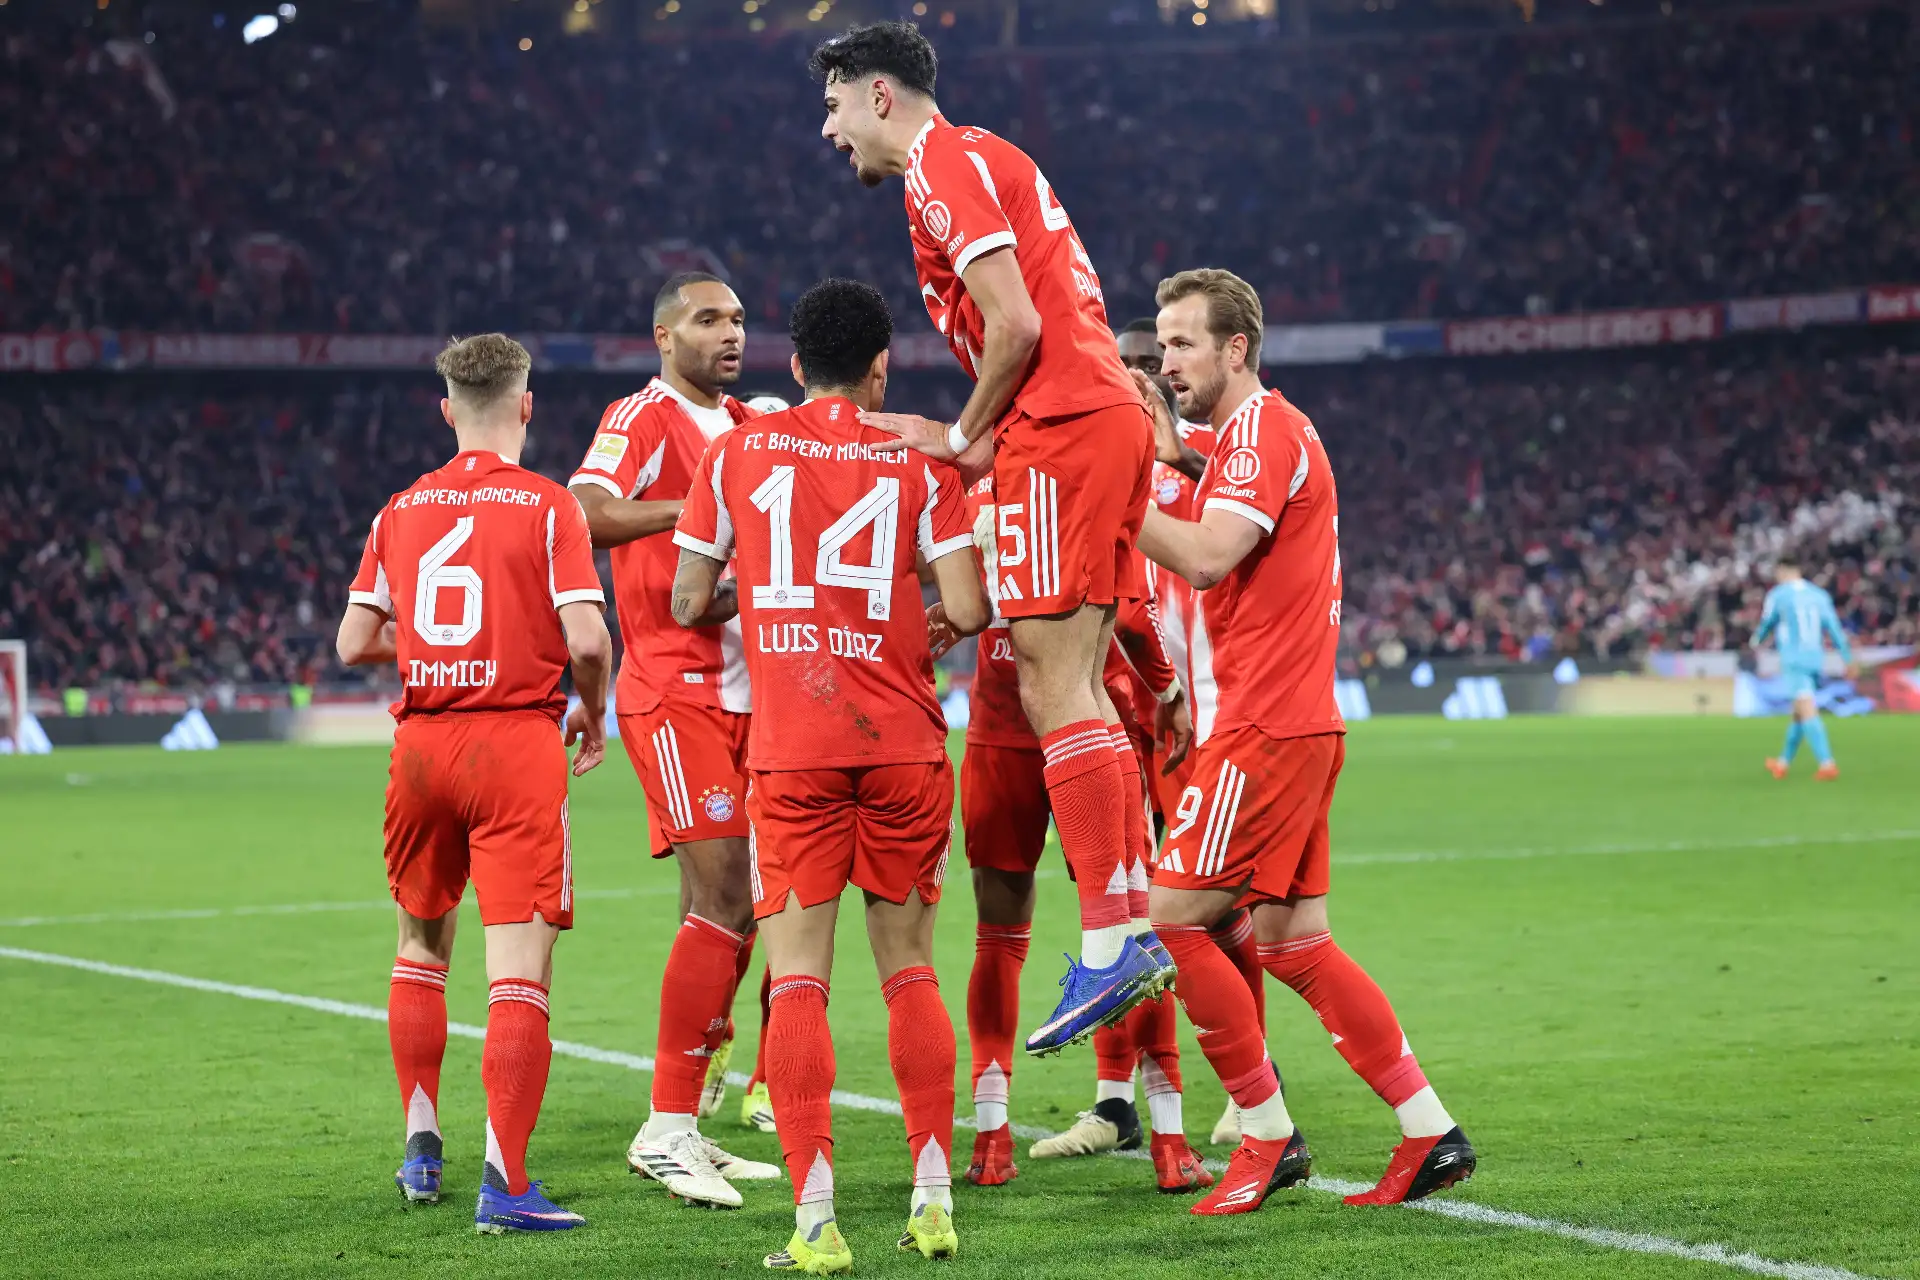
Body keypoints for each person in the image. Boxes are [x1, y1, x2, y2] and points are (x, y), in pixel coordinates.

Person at [810, 20, 1168, 1055]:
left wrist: (965, 436)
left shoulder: (941, 162)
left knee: (1053, 681)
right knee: (1084, 682)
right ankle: (1129, 919)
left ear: (881, 95)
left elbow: (1015, 326)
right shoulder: (983, 158)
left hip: (1055, 429)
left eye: (834, 107)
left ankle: (1113, 938)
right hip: (1091, 423)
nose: (830, 133)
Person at [1135, 270, 1476, 1215]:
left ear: (1234, 348)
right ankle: (1428, 1131)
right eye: (1162, 346)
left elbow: (1205, 557)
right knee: (1294, 942)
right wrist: (1171, 458)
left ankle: (1266, 1130)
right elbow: (1225, 510)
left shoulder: (1262, 430)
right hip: (1296, 719)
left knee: (1172, 916)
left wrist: (1109, 503)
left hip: (1265, 727)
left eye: (1181, 344)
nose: (1166, 363)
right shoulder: (1261, 434)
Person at [670, 277, 990, 1273]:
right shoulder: (916, 457)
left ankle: (815, 1221)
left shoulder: (734, 451)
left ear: (794, 362)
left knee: (799, 977)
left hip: (795, 747)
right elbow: (972, 608)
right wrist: (915, 619)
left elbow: (687, 598)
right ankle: (934, 1198)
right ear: (881, 365)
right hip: (902, 741)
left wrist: (768, 592)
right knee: (912, 970)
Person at [335, 334, 612, 1233]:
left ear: (447, 410)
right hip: (512, 744)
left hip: (420, 745)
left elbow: (351, 644)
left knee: (420, 947)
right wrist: (593, 711)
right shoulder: (549, 506)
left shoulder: (399, 509)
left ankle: (421, 1143)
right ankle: (507, 1182)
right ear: (527, 406)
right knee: (517, 973)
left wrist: (429, 648)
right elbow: (589, 643)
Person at [567, 274, 781, 1204]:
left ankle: (688, 1118)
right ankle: (665, 1128)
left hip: (753, 695)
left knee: (730, 906)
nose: (729, 333)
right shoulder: (641, 414)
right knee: (728, 895)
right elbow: (584, 511)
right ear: (663, 336)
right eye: (707, 320)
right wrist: (699, 509)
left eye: (736, 319)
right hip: (676, 692)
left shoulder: (744, 424)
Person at [1120, 318, 1263, 1149]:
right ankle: (1122, 1100)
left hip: (1207, 709)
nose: (1147, 377)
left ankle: (1254, 1086)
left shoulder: (1215, 446)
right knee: (1130, 906)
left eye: (1156, 361)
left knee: (1212, 908)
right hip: (1131, 702)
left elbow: (1233, 529)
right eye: (1132, 364)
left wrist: (1174, 451)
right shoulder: (1105, 448)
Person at [1753, 559, 1855, 779]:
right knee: (1798, 714)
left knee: (1807, 709)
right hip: (1814, 659)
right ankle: (1782, 763)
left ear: (1782, 571)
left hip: (1794, 659)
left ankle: (1827, 764)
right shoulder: (1819, 595)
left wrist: (1754, 641)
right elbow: (1834, 629)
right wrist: (1847, 657)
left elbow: (1767, 623)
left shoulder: (1778, 595)